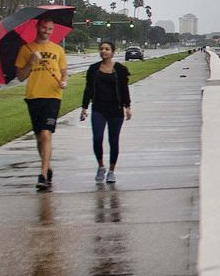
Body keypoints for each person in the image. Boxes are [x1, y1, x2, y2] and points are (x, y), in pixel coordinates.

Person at [13, 17, 69, 191]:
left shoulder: (58, 49)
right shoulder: (26, 49)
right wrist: (30, 62)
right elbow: (21, 76)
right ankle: (48, 166)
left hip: (52, 96)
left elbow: (64, 72)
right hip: (33, 96)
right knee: (39, 137)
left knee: (46, 134)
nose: (47, 31)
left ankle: (42, 175)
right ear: (38, 27)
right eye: (44, 28)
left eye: (50, 29)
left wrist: (64, 81)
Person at [78, 40, 133, 184]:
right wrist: (84, 108)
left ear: (113, 52)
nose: (104, 51)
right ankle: (101, 166)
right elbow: (88, 89)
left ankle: (111, 171)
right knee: (97, 138)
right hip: (98, 109)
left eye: (107, 49)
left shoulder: (119, 69)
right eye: (102, 49)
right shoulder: (93, 69)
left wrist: (127, 107)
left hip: (116, 110)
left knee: (113, 141)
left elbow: (124, 89)